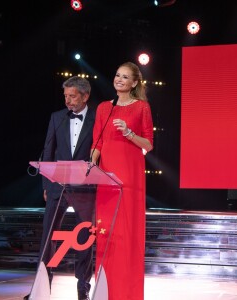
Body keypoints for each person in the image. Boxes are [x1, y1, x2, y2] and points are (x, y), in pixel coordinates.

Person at [24, 76, 96, 300]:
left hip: (85, 188)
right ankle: (41, 287)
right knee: (48, 237)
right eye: (66, 96)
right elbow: (48, 152)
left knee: (85, 237)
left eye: (72, 96)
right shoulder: (57, 118)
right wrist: (46, 184)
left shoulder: (97, 118)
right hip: (58, 187)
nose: (68, 101)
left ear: (85, 96)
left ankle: (82, 288)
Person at [91, 62, 153, 300]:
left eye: (125, 77)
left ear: (134, 83)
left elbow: (148, 144)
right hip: (106, 176)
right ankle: (105, 290)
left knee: (127, 232)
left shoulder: (141, 107)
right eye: (117, 75)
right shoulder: (104, 108)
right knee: (107, 232)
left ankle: (127, 292)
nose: (119, 79)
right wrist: (92, 163)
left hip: (129, 175)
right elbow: (98, 141)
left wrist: (128, 132)